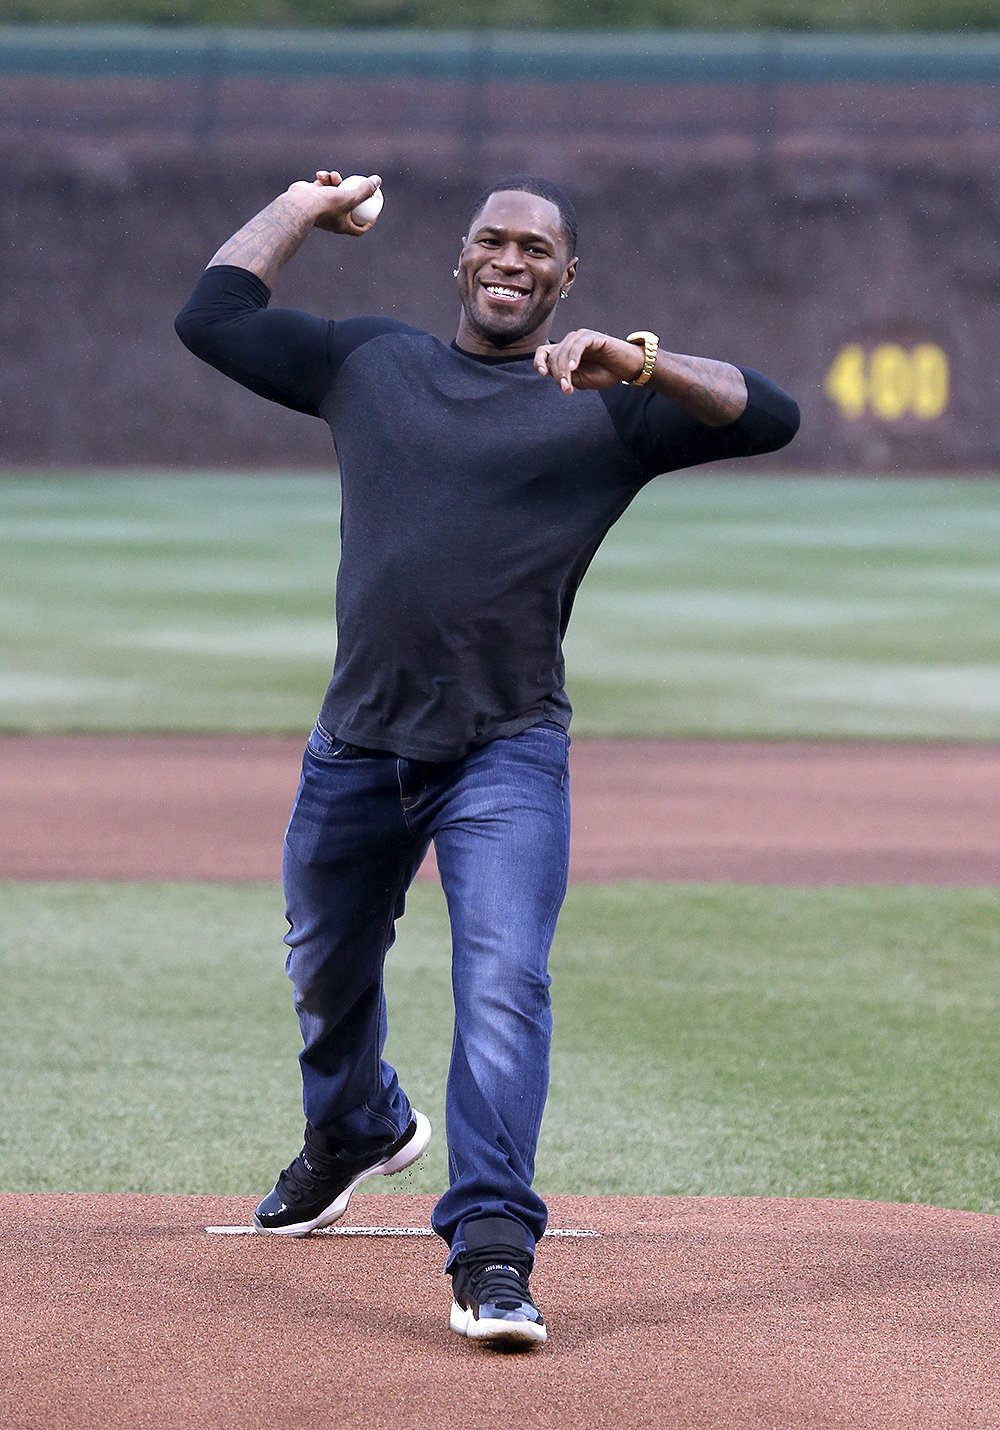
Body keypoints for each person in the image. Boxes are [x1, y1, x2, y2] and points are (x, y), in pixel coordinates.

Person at [175, 169, 799, 1349]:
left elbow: (770, 414)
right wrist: (303, 209)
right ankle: (356, 1123)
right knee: (321, 966)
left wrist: (644, 361)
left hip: (505, 752)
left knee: (504, 984)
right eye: (492, 241)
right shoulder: (370, 362)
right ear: (460, 259)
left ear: (568, 280)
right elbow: (211, 318)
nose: (512, 261)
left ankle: (495, 1249)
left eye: (537, 251)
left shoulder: (605, 402)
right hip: (357, 743)